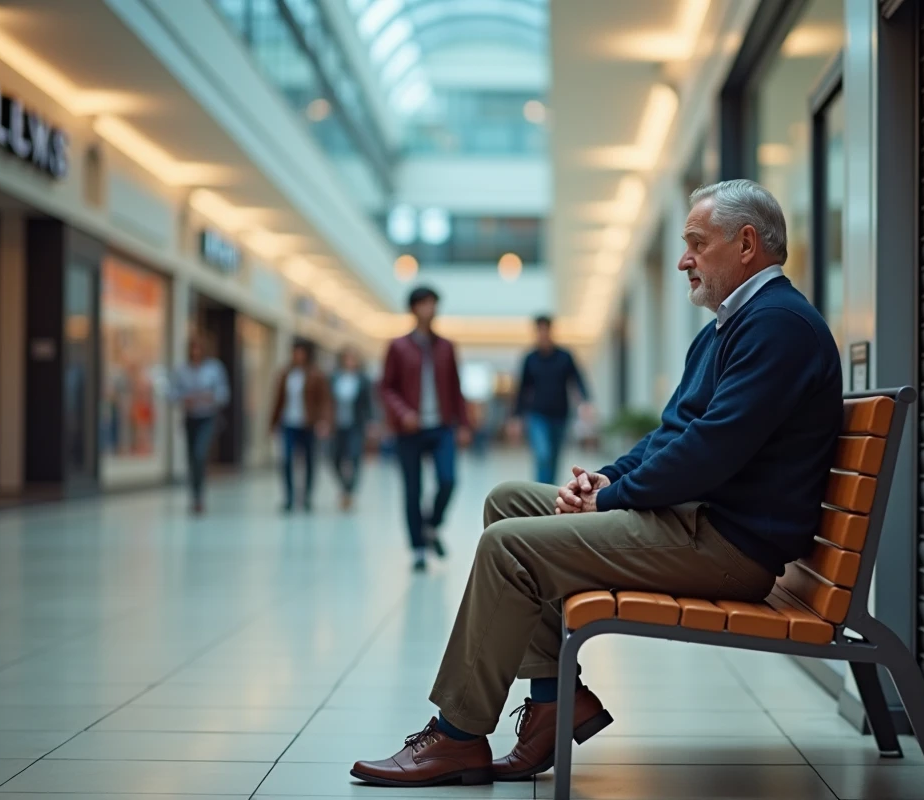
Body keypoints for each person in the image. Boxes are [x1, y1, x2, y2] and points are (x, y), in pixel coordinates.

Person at [351, 179, 843, 788]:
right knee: (508, 504)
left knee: (510, 547)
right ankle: (554, 699)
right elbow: (674, 434)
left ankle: (456, 737)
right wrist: (609, 477)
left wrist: (609, 498)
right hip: (698, 523)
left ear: (746, 244)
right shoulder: (732, 327)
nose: (685, 259)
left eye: (696, 243)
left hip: (728, 546)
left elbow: (710, 452)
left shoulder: (777, 327)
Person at [380, 286, 473, 572]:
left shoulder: (446, 347)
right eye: (423, 304)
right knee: (413, 489)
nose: (429, 309)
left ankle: (431, 525)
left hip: (442, 426)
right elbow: (386, 387)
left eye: (433, 303)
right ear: (413, 309)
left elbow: (456, 388)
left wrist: (464, 423)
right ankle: (419, 548)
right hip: (409, 429)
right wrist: (403, 413)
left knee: (448, 480)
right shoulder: (398, 347)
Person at [507, 316, 593, 485]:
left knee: (554, 458)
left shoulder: (565, 356)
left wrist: (585, 401)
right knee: (543, 454)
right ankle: (540, 492)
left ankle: (548, 492)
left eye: (545, 330)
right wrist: (516, 416)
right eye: (539, 330)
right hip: (537, 415)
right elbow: (522, 389)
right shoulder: (530, 359)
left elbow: (577, 379)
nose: (543, 334)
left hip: (560, 415)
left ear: (550, 331)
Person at [169, 335, 230, 514]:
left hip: (208, 417)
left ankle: (199, 494)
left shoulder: (214, 368)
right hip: (190, 417)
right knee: (191, 458)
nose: (196, 352)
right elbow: (172, 392)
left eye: (199, 348)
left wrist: (210, 396)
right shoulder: (182, 370)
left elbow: (224, 393)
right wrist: (183, 398)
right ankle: (195, 496)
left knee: (199, 453)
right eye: (193, 348)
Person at [269, 340, 331, 512]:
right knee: (287, 460)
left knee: (310, 461)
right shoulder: (286, 373)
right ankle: (289, 497)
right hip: (288, 423)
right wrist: (273, 424)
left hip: (308, 424)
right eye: (295, 352)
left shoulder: (316, 374)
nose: (297, 356)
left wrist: (323, 421)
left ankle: (307, 497)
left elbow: (324, 400)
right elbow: (279, 401)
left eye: (301, 352)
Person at [331, 347, 375, 511]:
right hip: (337, 425)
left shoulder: (363, 380)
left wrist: (371, 422)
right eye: (347, 358)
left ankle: (349, 491)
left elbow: (369, 403)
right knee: (335, 458)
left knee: (354, 456)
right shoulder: (334, 378)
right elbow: (328, 402)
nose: (350, 362)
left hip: (356, 425)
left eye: (353, 358)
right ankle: (345, 486)